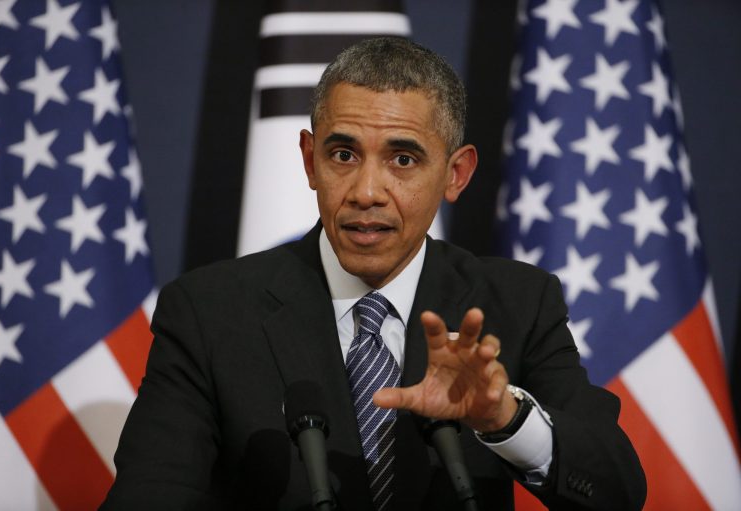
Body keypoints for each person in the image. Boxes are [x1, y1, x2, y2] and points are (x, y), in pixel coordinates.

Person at [102, 37, 646, 510]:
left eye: (402, 159)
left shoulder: (519, 302)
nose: (365, 192)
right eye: (343, 154)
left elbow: (617, 491)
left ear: (455, 174)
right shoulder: (208, 311)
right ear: (310, 159)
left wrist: (505, 418)